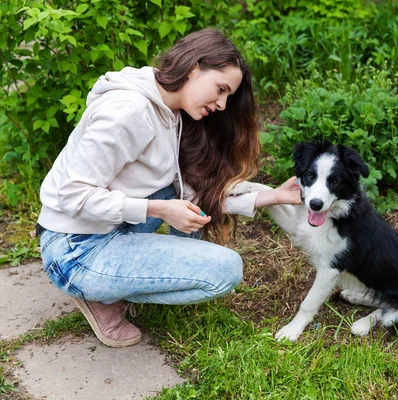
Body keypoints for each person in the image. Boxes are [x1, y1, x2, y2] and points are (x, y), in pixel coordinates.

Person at [36, 28, 301, 348]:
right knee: (225, 272)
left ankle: (114, 281)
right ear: (193, 68)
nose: (221, 104)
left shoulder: (170, 111)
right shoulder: (129, 112)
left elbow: (190, 189)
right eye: (220, 89)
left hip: (103, 228)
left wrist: (272, 196)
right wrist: (158, 209)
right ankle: (99, 294)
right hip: (74, 249)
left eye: (227, 96)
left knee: (180, 195)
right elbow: (72, 193)